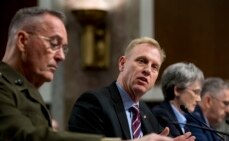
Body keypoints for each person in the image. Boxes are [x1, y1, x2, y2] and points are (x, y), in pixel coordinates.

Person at [0, 6, 177, 141]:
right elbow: (25, 135)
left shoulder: (146, 112)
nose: (61, 56)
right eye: (54, 43)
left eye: (64, 48)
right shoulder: (93, 103)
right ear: (23, 41)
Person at [68, 37, 195, 141]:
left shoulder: (146, 113)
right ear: (122, 64)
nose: (147, 70)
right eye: (142, 61)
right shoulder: (93, 103)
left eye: (154, 67)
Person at [151, 62, 204, 137]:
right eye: (195, 92)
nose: (199, 99)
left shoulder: (187, 118)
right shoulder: (161, 116)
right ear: (177, 90)